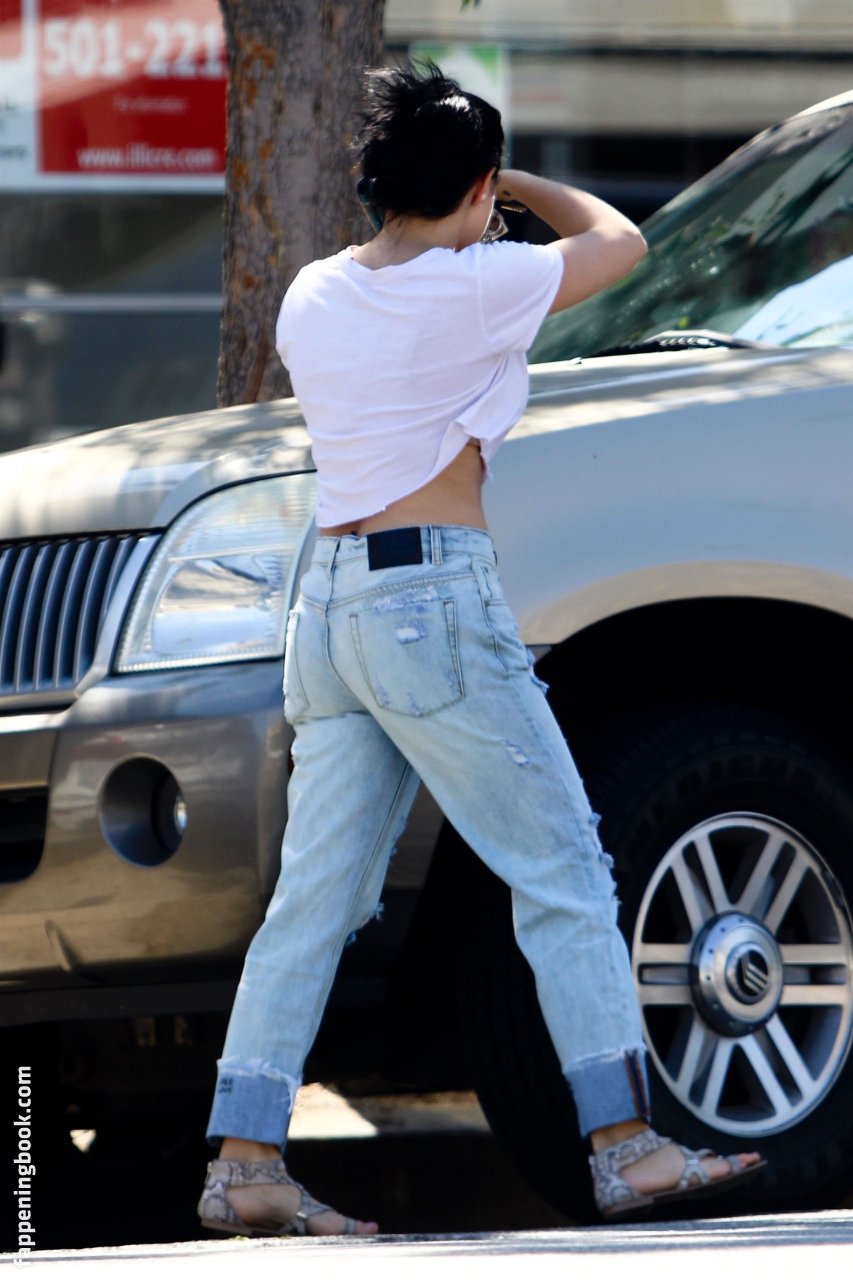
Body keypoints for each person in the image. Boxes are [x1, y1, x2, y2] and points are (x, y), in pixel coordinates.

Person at [198, 62, 764, 1238]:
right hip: (432, 601)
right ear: (477, 185)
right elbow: (620, 243)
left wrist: (472, 188)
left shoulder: (314, 290)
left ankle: (244, 1158)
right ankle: (625, 1145)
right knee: (562, 869)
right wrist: (521, 186)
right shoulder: (476, 284)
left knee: (313, 901)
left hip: (329, 608)